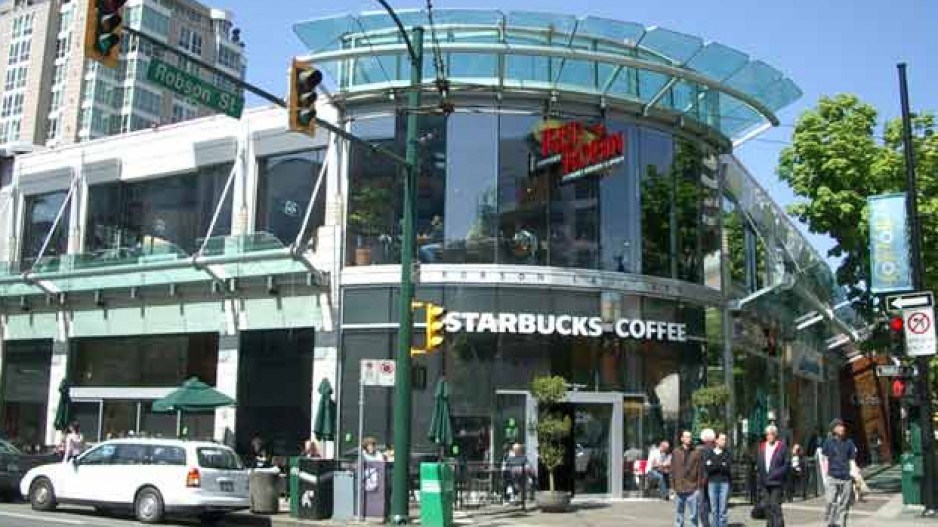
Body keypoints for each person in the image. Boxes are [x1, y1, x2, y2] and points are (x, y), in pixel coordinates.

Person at [822, 418, 857, 527]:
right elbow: (825, 458)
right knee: (830, 501)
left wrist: (855, 473)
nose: (842, 428)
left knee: (844, 504)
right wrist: (825, 475)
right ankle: (831, 522)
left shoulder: (849, 442)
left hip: (846, 477)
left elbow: (852, 460)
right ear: (834, 429)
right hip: (832, 476)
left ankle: (842, 524)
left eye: (842, 426)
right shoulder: (828, 442)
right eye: (839, 426)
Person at [757, 425, 789, 527]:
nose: (769, 436)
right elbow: (759, 463)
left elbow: (786, 465)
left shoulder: (781, 446)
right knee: (767, 507)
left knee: (775, 506)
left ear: (775, 435)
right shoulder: (762, 446)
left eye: (771, 434)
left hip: (776, 482)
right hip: (764, 482)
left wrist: (776, 474)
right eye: (767, 434)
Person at [671, 430, 702, 527]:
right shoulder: (676, 452)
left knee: (694, 515)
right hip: (679, 487)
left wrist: (698, 487)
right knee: (679, 515)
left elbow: (700, 470)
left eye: (690, 437)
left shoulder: (696, 452)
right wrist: (672, 487)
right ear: (682, 439)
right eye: (687, 437)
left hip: (692, 488)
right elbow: (672, 470)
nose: (689, 439)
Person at [704, 433, 732, 527]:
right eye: (722, 439)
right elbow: (708, 468)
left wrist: (714, 464)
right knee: (714, 509)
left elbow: (727, 468)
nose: (724, 441)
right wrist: (721, 464)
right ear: (716, 440)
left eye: (725, 439)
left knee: (723, 510)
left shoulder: (727, 453)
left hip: (724, 483)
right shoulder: (709, 453)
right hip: (712, 483)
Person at [698, 429, 716, 527]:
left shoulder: (699, 450)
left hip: (702, 480)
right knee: (711, 503)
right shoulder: (715, 449)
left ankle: (705, 523)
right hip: (712, 479)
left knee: (702, 503)